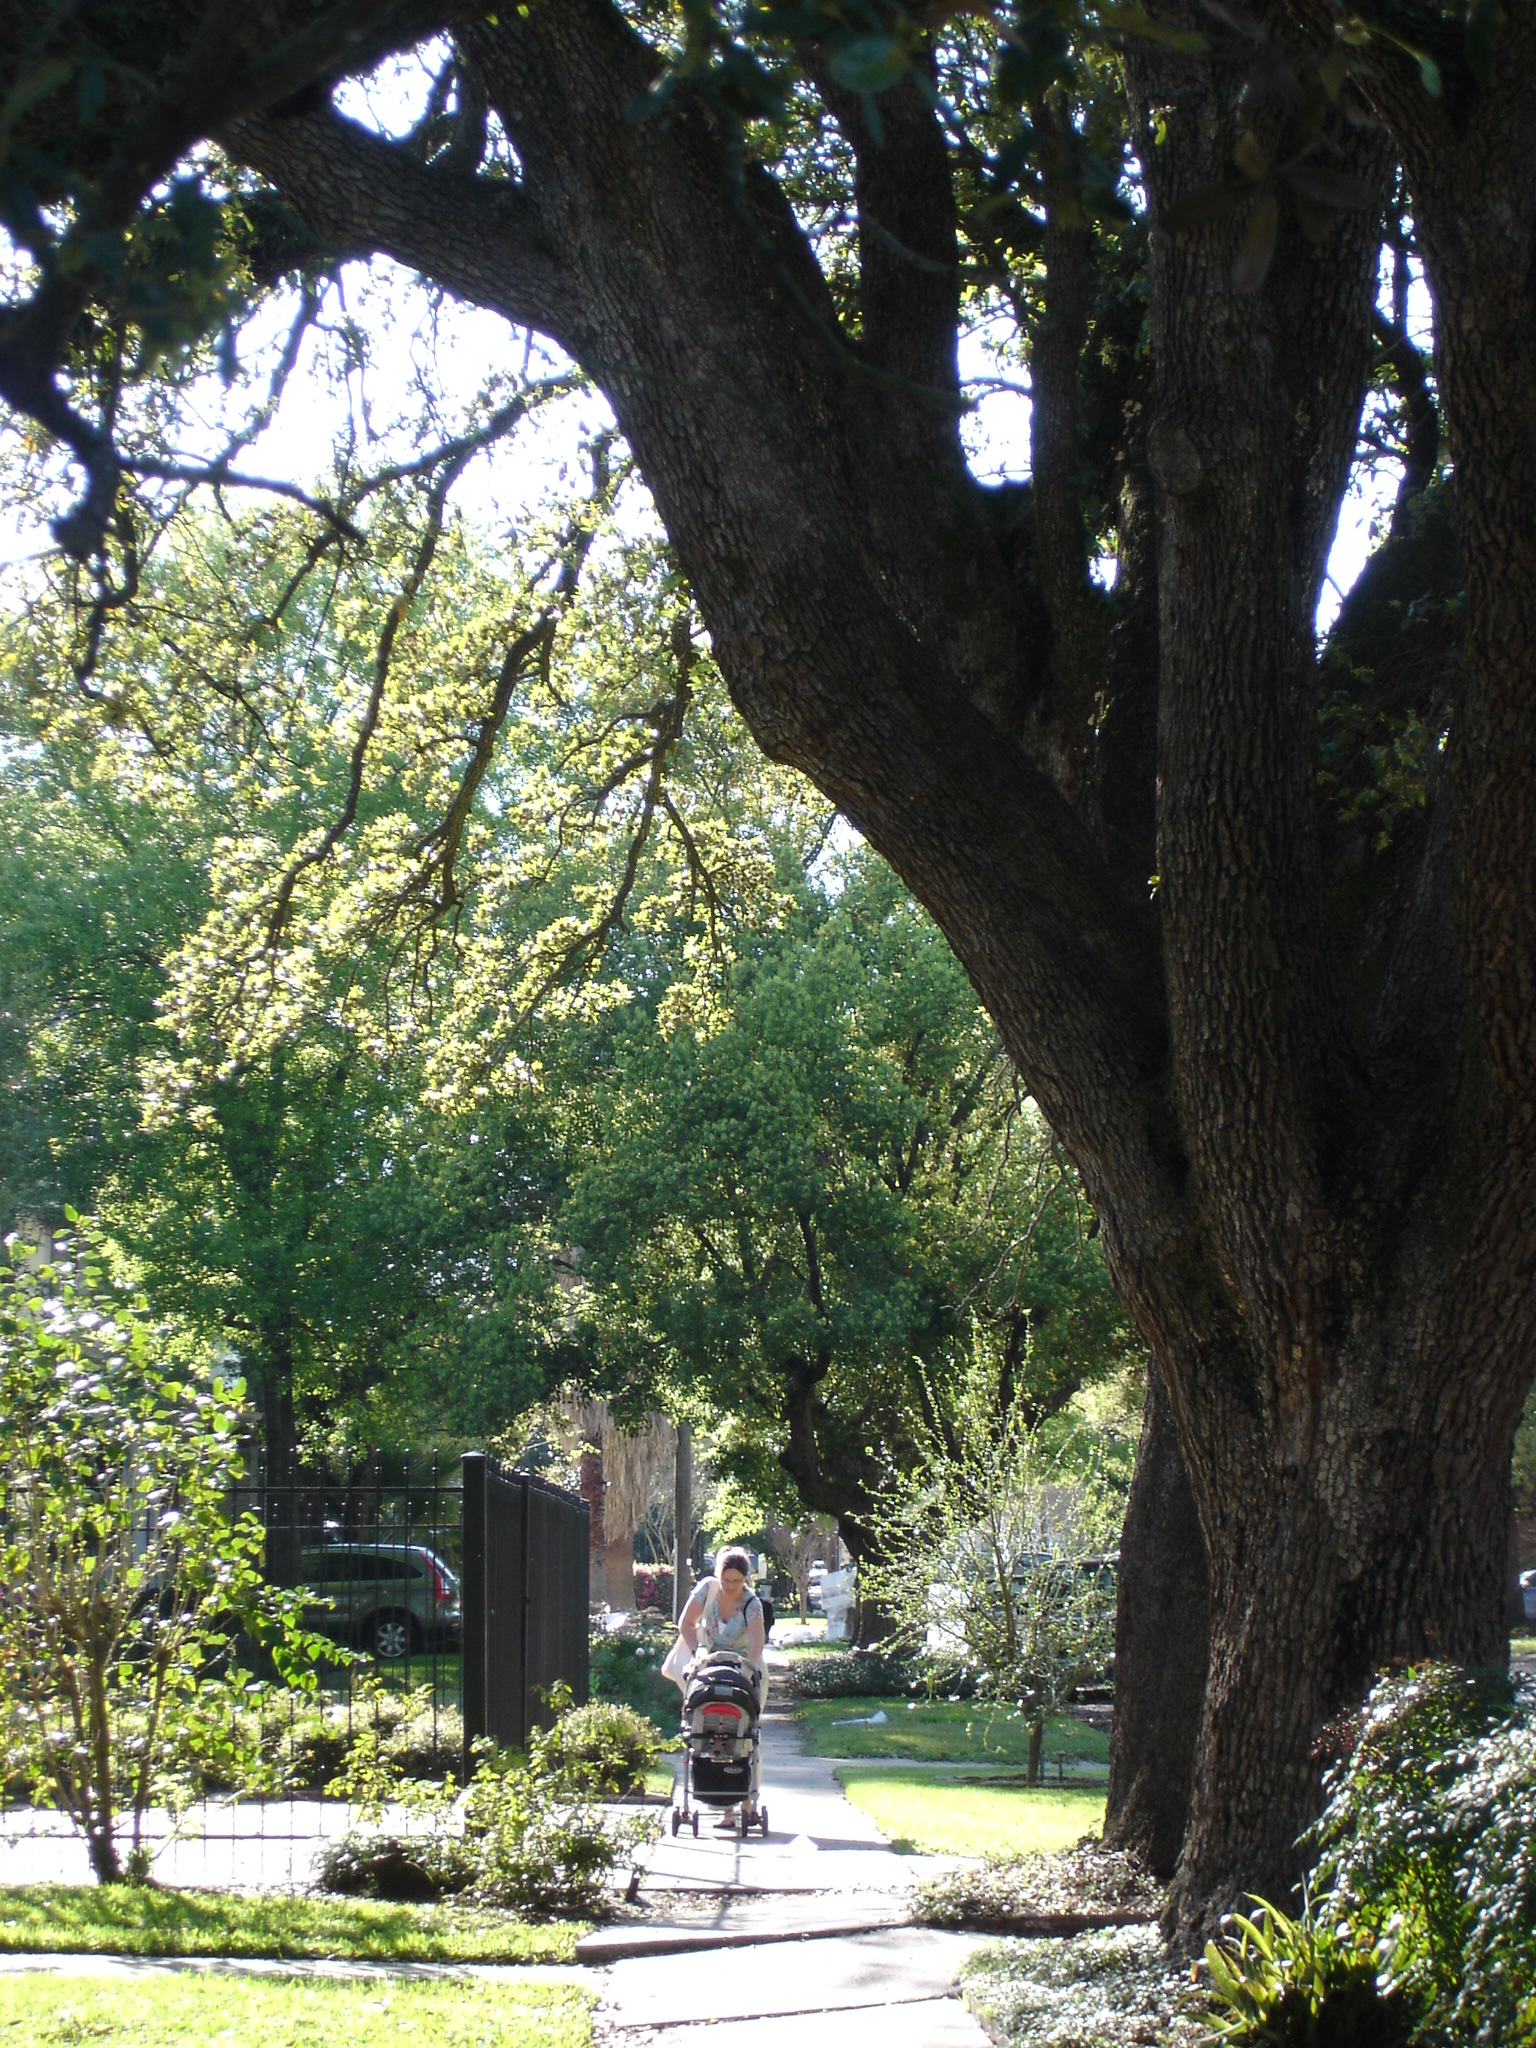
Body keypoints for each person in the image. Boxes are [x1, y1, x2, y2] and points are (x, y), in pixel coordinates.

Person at [675, 1546, 766, 1829]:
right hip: (710, 1662)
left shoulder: (752, 1604)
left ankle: (745, 1802)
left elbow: (756, 1641)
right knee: (706, 1726)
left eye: (736, 1581)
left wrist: (747, 1670)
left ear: (745, 1580)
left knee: (745, 1734)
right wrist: (696, 1652)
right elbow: (686, 1623)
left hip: (743, 1667)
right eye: (726, 1580)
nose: (729, 1586)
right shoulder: (708, 1590)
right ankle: (711, 1789)